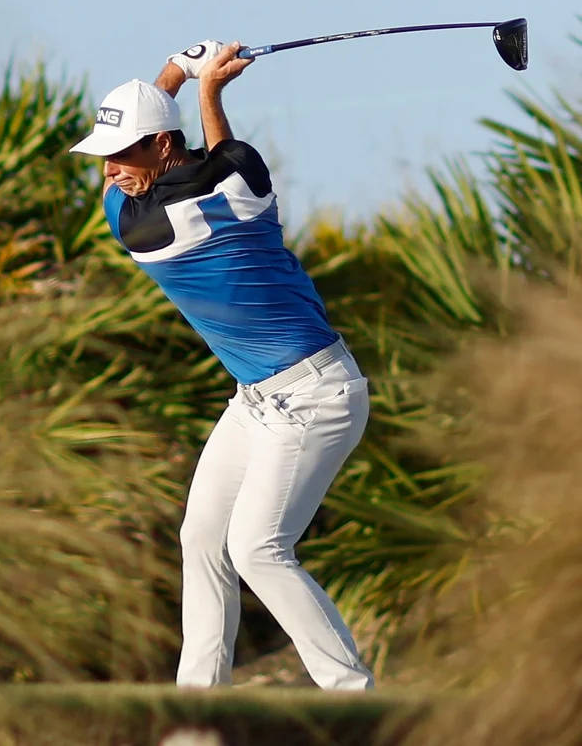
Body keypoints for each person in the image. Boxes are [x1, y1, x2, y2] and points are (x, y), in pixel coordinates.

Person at [69, 40, 375, 690]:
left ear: (159, 146)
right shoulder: (198, 196)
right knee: (202, 537)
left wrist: (189, 77)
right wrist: (193, 79)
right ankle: (199, 703)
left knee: (257, 549)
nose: (109, 173)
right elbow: (219, 164)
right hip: (259, 400)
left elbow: (208, 169)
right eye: (103, 158)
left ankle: (352, 696)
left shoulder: (153, 219)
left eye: (120, 155)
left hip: (318, 395)